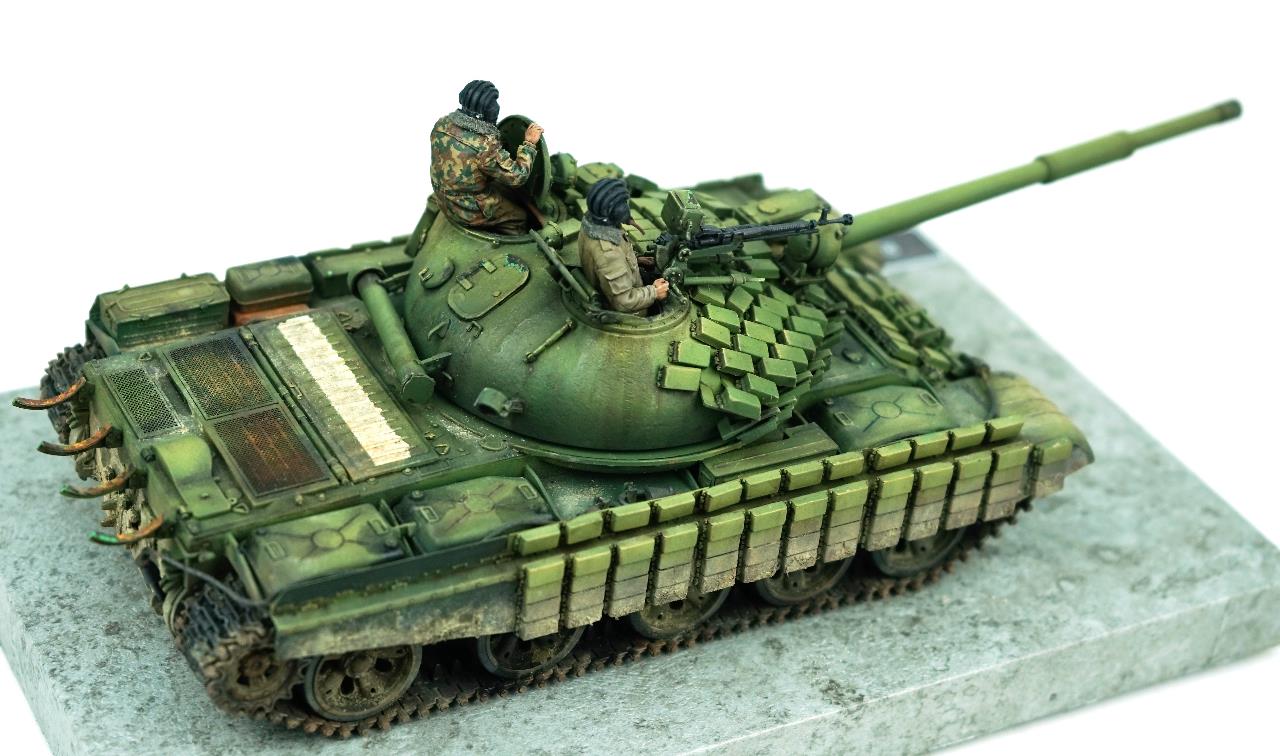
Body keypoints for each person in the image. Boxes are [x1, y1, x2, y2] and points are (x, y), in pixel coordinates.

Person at [429, 80, 543, 235]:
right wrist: (529, 144)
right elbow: (517, 177)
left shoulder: (441, 125)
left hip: (443, 198)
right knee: (519, 217)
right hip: (466, 210)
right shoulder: (485, 145)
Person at [579, 179, 669, 314]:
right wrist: (655, 292)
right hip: (629, 312)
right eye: (622, 203)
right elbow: (624, 301)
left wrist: (634, 260)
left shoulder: (594, 221)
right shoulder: (608, 252)